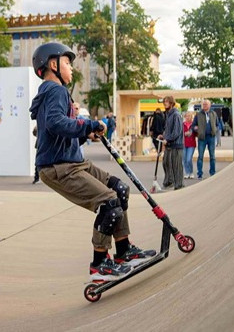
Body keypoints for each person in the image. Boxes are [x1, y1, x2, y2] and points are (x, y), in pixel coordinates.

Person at [29, 42, 156, 282]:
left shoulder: (53, 92)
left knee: (119, 189)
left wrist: (83, 132)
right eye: (67, 63)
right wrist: (89, 125)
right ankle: (100, 264)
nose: (72, 69)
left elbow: (56, 131)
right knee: (109, 203)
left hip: (73, 162)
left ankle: (124, 250)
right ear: (52, 65)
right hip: (59, 168)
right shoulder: (54, 90)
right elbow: (55, 124)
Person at [157, 96, 184, 190]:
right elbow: (168, 130)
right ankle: (169, 182)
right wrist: (163, 136)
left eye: (167, 102)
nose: (165, 103)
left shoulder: (176, 114)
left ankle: (179, 185)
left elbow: (177, 131)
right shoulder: (168, 114)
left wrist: (168, 139)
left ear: (172, 103)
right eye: (164, 102)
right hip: (169, 144)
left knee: (176, 166)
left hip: (176, 145)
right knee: (166, 163)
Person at [192, 99, 218, 180]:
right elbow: (193, 125)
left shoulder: (213, 113)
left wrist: (215, 130)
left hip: (211, 137)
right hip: (202, 138)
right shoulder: (198, 114)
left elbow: (217, 124)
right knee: (200, 156)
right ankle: (199, 174)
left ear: (210, 105)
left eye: (206, 104)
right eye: (203, 104)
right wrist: (196, 129)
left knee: (212, 156)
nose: (205, 106)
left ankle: (213, 172)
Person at [182, 111, 196, 179]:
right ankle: (187, 173)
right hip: (183, 144)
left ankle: (191, 172)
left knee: (188, 159)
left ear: (191, 117)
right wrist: (184, 134)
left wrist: (194, 131)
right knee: (184, 159)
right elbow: (179, 133)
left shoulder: (193, 124)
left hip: (191, 144)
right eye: (186, 116)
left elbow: (196, 133)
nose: (187, 117)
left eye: (189, 116)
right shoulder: (182, 124)